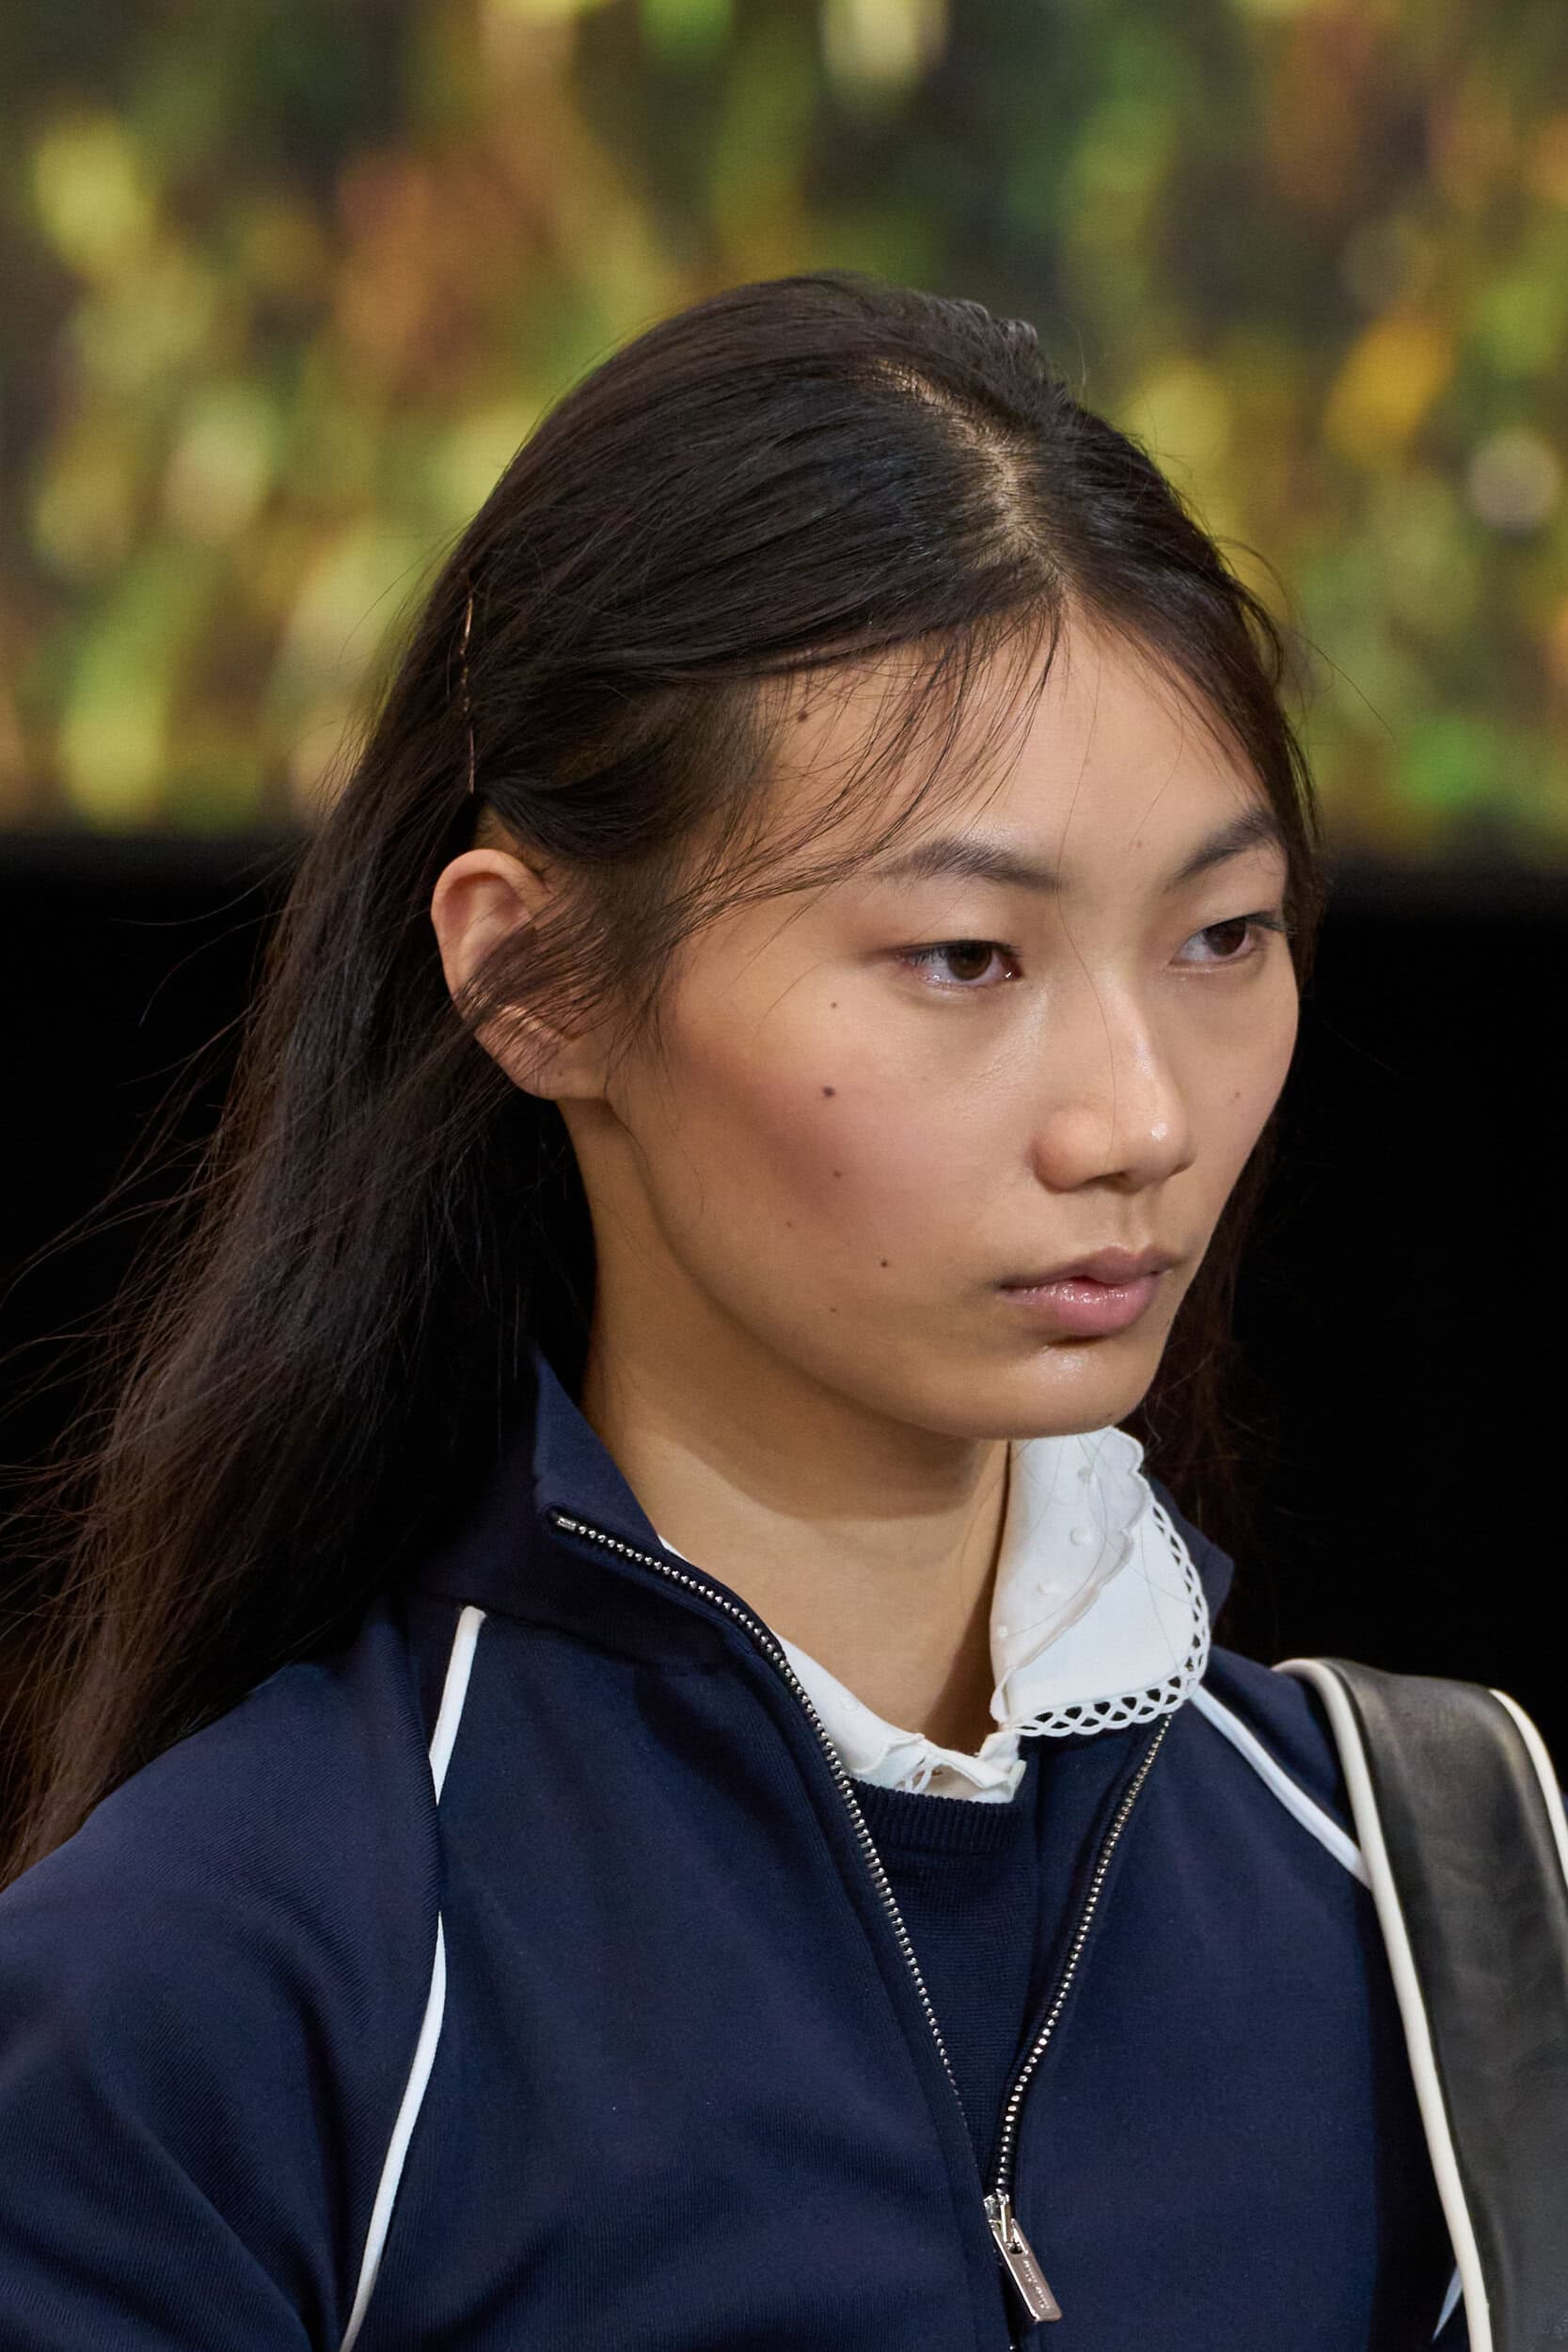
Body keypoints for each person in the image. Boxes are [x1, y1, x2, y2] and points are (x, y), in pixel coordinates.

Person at [0, 274, 1472, 2348]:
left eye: (1223, 934)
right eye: (964, 956)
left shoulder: (1425, 1902)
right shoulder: (234, 1981)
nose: (1140, 1117)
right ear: (534, 979)